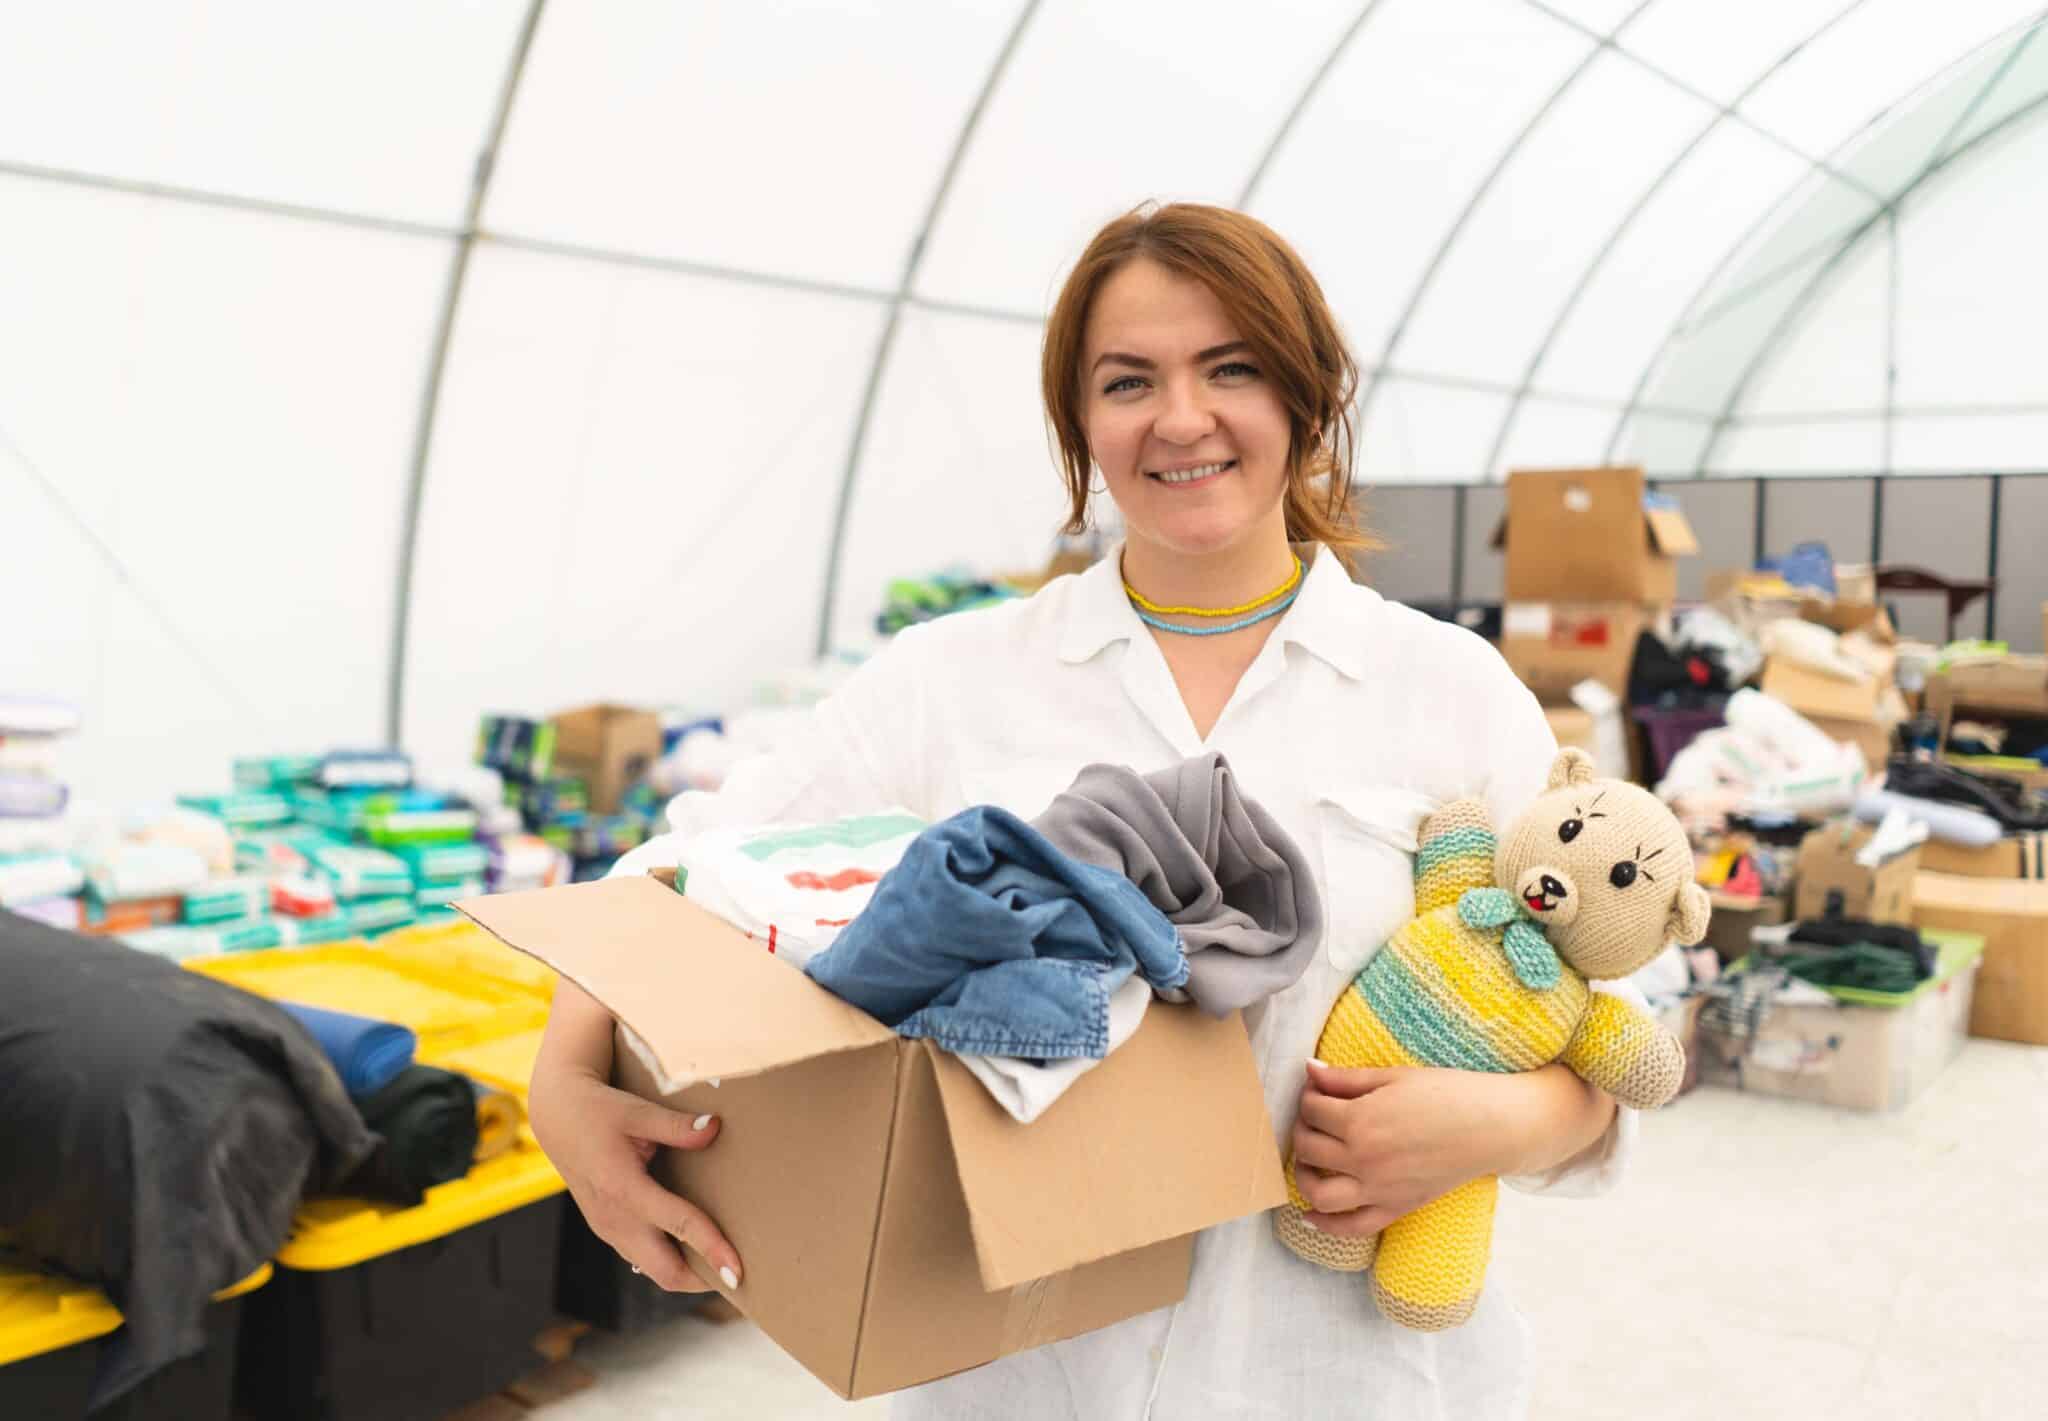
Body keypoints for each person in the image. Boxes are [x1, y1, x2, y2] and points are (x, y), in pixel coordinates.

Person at [528, 202, 1642, 1419]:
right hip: (1019, 1380)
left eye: (1231, 368)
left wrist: (1504, 1119)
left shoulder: (1446, 690)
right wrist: (564, 1088)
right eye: (1127, 381)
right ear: (1079, 425)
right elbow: (681, 867)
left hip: (1351, 1376)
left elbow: (1615, 1011)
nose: (1179, 417)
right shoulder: (949, 680)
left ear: (1307, 396)